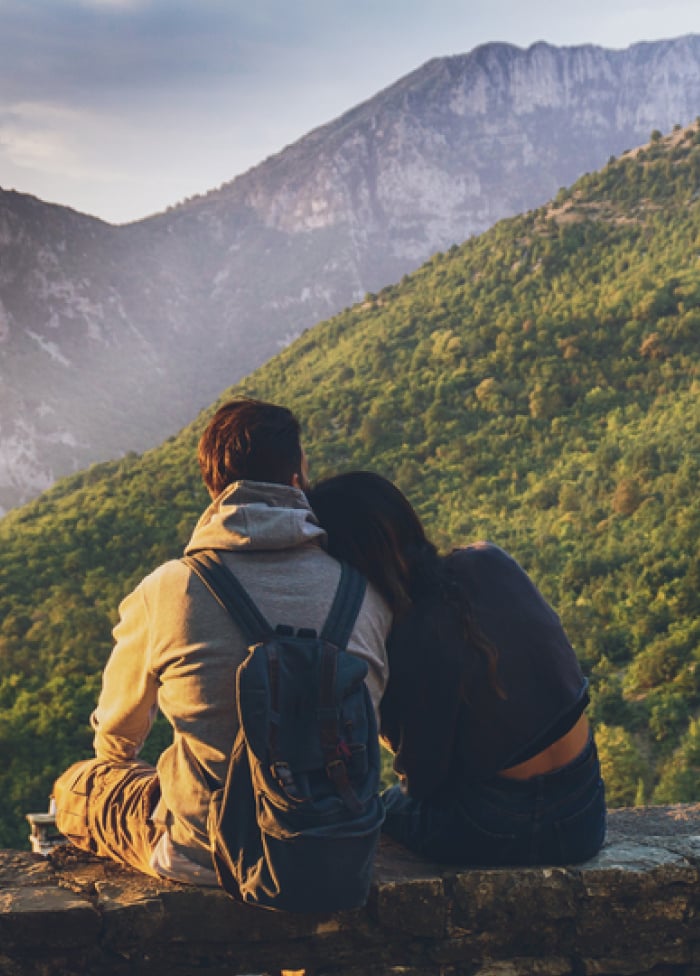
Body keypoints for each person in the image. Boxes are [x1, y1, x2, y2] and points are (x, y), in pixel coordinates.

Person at [52, 399, 391, 885]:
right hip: (333, 846)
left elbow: (117, 734)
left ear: (213, 487)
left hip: (205, 850)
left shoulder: (170, 588)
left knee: (77, 785)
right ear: (298, 478)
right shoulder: (365, 593)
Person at [307, 471, 606, 866]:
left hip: (500, 825)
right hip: (586, 811)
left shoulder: (412, 635)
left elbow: (423, 783)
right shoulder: (488, 559)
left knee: (378, 809)